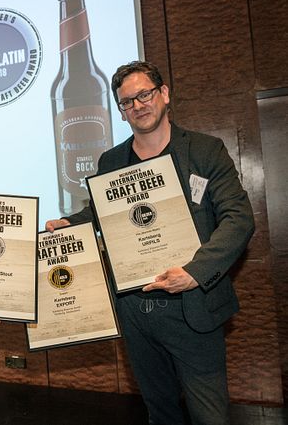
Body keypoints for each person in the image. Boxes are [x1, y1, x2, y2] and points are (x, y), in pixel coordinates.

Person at [46, 60, 255, 425]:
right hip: (136, 309)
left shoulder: (205, 151)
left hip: (193, 305)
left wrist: (194, 272)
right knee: (160, 413)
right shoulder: (111, 161)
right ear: (122, 112)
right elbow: (100, 215)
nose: (138, 105)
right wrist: (68, 224)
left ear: (164, 94)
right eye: (127, 102)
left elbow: (239, 220)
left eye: (144, 94)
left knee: (210, 416)